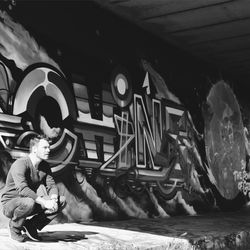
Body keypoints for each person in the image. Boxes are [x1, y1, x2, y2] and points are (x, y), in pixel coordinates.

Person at [1, 135, 66, 242]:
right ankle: (14, 227)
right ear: (35, 149)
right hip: (10, 204)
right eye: (45, 148)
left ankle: (31, 225)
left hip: (29, 201)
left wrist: (53, 200)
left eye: (49, 147)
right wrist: (44, 202)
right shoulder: (21, 164)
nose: (48, 150)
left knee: (61, 201)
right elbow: (22, 189)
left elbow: (52, 185)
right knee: (29, 202)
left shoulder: (44, 166)